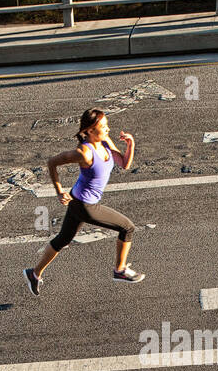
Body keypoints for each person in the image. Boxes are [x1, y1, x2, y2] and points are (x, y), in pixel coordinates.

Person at [24, 108, 143, 296]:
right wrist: (58, 190)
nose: (107, 129)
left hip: (77, 200)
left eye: (106, 125)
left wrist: (131, 144)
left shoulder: (104, 141)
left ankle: (34, 273)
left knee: (62, 240)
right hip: (85, 206)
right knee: (127, 228)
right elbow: (52, 162)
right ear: (88, 131)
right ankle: (119, 270)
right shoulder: (84, 153)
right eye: (102, 127)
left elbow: (124, 163)